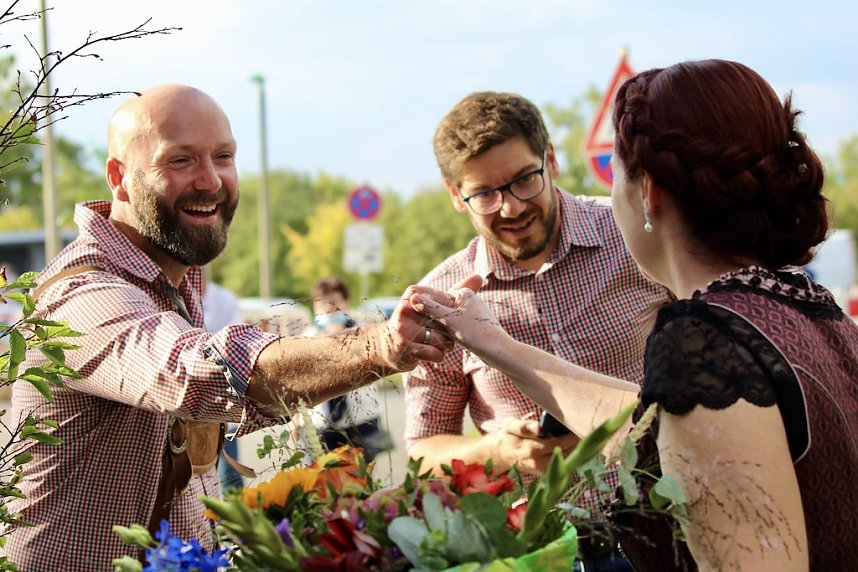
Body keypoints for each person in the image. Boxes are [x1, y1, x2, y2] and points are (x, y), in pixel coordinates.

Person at [412, 60, 858, 571]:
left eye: (617, 175)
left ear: (647, 191)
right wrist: (492, 367)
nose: (510, 208)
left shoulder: (702, 337)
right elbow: (665, 423)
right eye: (485, 193)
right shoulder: (814, 311)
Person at [1, 84, 451, 571]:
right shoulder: (80, 297)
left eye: (223, 156)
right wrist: (380, 344)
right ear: (120, 178)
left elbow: (241, 403)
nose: (210, 180)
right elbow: (200, 373)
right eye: (180, 161)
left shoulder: (174, 277)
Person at [403, 91, 670, 570]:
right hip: (534, 551)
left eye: (525, 179)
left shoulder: (633, 236)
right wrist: (496, 451)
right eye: (484, 193)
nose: (509, 208)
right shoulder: (442, 297)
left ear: (551, 160)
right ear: (455, 197)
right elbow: (422, 451)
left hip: (663, 529)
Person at [303, 276, 390, 462]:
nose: (329, 310)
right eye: (324, 304)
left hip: (361, 420)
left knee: (362, 478)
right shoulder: (307, 338)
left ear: (346, 303)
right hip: (322, 424)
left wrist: (342, 337)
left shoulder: (365, 331)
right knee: (322, 480)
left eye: (335, 304)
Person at [200, 266, 246, 490]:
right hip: (194, 396)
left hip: (222, 392)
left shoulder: (224, 300)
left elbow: (235, 344)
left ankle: (234, 518)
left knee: (229, 468)